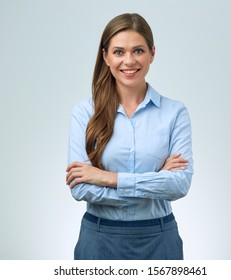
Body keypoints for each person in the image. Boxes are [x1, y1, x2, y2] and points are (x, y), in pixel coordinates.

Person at [66, 13, 193, 260]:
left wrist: (108, 178)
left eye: (138, 50)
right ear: (105, 56)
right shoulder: (84, 112)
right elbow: (81, 188)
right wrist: (155, 182)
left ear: (152, 53)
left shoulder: (175, 113)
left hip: (159, 239)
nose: (129, 61)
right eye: (118, 52)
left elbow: (179, 184)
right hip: (98, 239)